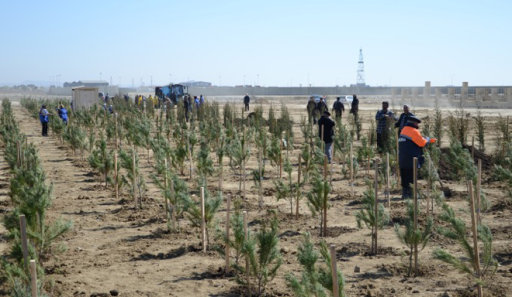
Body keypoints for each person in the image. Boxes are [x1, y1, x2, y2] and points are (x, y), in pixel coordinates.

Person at [398, 116, 436, 198]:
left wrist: (424, 139)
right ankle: (412, 194)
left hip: (402, 158)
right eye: (417, 123)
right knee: (412, 176)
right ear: (414, 123)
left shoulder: (403, 130)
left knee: (404, 176)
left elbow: (413, 140)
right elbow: (421, 143)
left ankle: (405, 194)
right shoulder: (414, 131)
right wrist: (428, 140)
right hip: (411, 159)